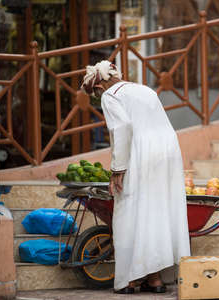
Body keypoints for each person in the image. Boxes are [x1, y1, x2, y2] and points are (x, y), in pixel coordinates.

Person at [81, 60, 190, 294]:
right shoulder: (144, 89)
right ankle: (155, 279)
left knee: (128, 212)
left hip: (141, 153)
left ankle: (128, 281)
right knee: (156, 213)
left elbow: (121, 129)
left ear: (99, 86)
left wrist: (117, 169)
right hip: (168, 151)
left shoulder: (110, 95)